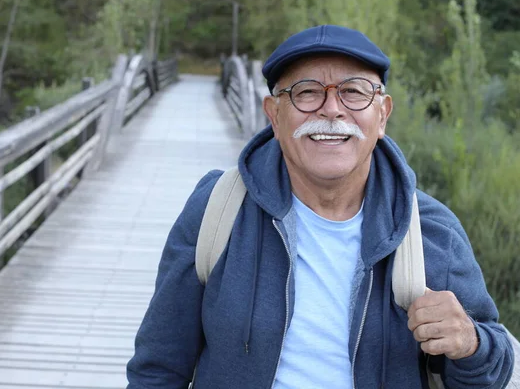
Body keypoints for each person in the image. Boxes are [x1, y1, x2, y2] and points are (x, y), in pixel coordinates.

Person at [126, 25, 514, 388]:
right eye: (307, 92)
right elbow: (158, 367)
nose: (331, 109)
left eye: (355, 91)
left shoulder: (430, 231)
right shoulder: (217, 208)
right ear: (274, 115)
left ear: (383, 114)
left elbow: (491, 372)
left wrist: (470, 343)